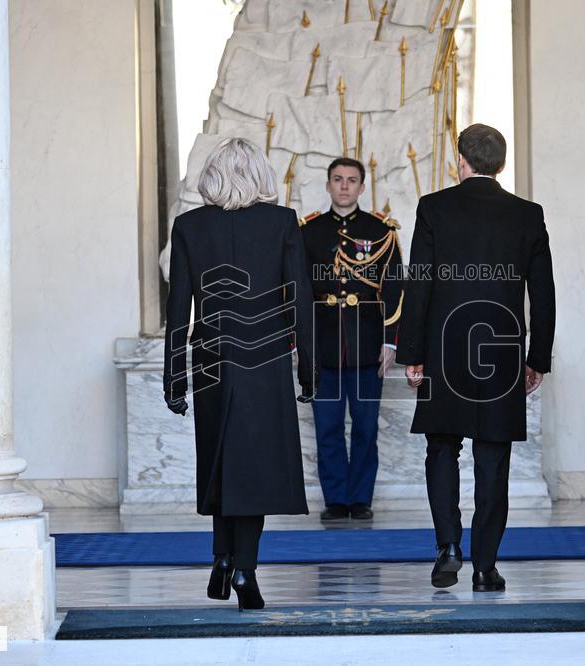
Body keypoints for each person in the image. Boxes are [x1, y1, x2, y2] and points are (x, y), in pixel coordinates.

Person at [396, 124, 555, 591]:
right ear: (500, 164)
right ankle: (486, 566)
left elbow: (419, 283)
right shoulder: (528, 214)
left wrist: (413, 353)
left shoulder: (434, 207)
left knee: (441, 447)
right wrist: (537, 357)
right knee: (494, 457)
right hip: (502, 351)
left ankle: (448, 545)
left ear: (460, 161)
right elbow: (542, 293)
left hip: (445, 346)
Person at [163, 138, 318, 611]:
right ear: (261, 176)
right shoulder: (281, 223)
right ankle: (243, 567)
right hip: (265, 359)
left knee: (221, 459)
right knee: (254, 467)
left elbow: (178, 308)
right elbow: (301, 304)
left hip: (209, 357)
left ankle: (222, 557)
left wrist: (175, 378)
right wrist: (308, 372)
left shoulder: (189, 226)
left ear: (212, 176)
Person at [299, 157, 404, 521]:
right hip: (322, 346)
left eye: (352, 180)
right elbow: (295, 290)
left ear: (362, 187)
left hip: (366, 344)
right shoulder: (307, 232)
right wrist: (298, 342)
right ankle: (335, 499)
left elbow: (394, 288)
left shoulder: (381, 231)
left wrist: (390, 341)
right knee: (327, 427)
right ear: (328, 186)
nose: (344, 186)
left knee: (364, 427)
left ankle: (360, 499)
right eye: (338, 180)